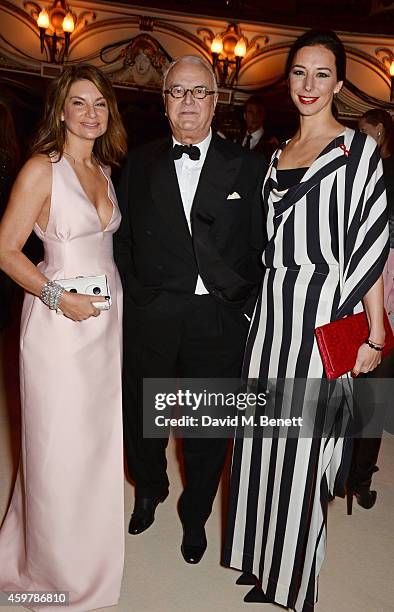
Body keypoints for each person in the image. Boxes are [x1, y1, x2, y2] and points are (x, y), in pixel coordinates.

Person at [223, 30, 389, 611]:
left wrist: (375, 331)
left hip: (321, 322)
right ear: (286, 80)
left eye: (322, 75)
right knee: (260, 446)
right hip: (270, 320)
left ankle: (290, 582)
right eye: (299, 73)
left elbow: (369, 246)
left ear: (340, 84)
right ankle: (261, 560)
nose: (309, 85)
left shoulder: (356, 153)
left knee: (302, 455)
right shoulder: (273, 156)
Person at [114, 55, 266, 565]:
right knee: (144, 419)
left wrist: (240, 305)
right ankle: (149, 487)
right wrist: (139, 298)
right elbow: (125, 241)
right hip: (153, 315)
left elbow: (260, 245)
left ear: (216, 100)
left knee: (206, 431)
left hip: (215, 322)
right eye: (177, 92)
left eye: (199, 92)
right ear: (163, 102)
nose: (188, 103)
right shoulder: (138, 162)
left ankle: (196, 513)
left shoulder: (247, 166)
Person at [0, 64, 127, 611]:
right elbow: (5, 251)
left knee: (96, 445)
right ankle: (48, 569)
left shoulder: (104, 168)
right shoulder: (40, 169)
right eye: (80, 103)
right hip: (56, 324)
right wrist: (57, 297)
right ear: (60, 110)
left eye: (100, 104)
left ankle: (91, 556)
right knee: (56, 448)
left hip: (106, 326)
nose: (91, 113)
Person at [347, 108, 394, 511]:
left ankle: (355, 475)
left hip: (375, 297)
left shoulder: (368, 172)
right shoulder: (356, 171)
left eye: (363, 132)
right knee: (370, 397)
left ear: (378, 134)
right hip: (367, 297)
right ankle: (357, 477)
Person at [240, 95, 279, 160]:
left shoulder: (270, 144)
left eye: (259, 112)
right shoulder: (236, 138)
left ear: (264, 115)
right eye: (250, 112)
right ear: (245, 116)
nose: (255, 116)